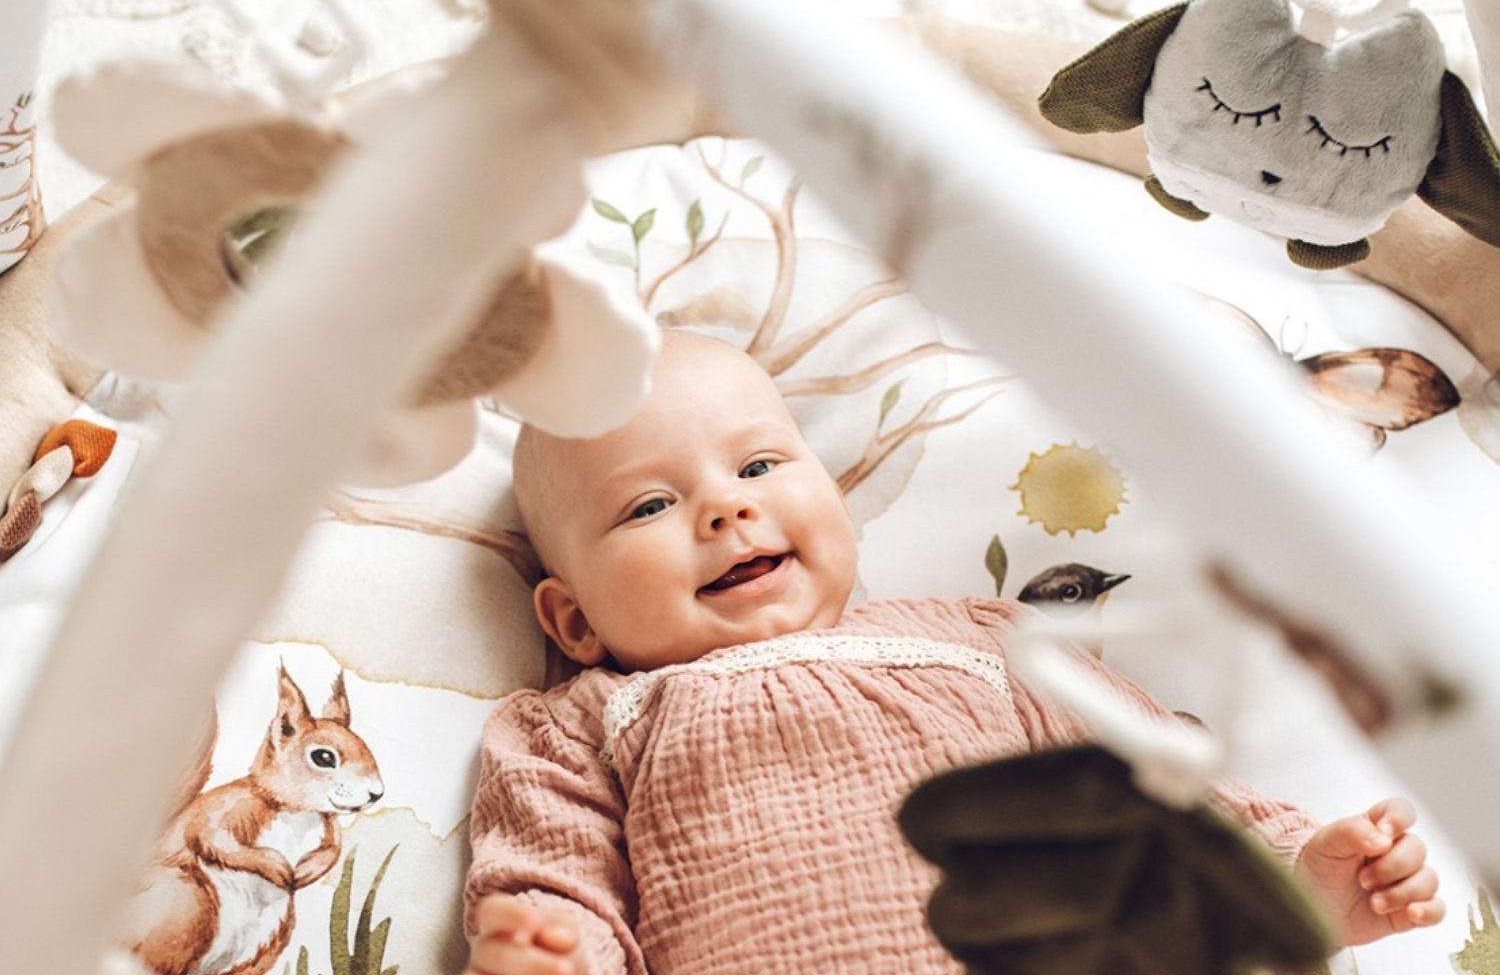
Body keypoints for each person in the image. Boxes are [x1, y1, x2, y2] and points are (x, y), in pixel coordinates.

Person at [463, 330, 1442, 975]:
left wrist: (1298, 877)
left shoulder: (981, 640)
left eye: (760, 465)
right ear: (574, 621)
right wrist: (548, 952)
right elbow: (553, 885)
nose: (727, 506)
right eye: (648, 505)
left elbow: (1163, 787)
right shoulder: (578, 722)